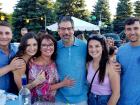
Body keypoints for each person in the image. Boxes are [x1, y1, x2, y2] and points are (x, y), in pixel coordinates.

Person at [28, 34, 74, 105]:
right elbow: (41, 89)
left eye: (50, 44)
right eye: (44, 45)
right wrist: (63, 84)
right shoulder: (34, 65)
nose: (48, 47)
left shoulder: (53, 61)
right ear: (39, 48)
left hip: (53, 101)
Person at [55, 16, 88, 105]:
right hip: (59, 98)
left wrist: (111, 62)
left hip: (81, 99)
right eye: (62, 29)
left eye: (69, 29)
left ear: (73, 30)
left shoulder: (84, 47)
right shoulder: (54, 47)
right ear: (58, 31)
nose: (66, 32)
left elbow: (97, 61)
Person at [86, 35, 120, 105]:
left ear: (103, 47)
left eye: (97, 46)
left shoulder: (111, 66)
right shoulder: (88, 64)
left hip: (106, 100)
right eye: (90, 46)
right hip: (91, 99)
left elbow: (116, 94)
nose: (93, 49)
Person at [117, 17, 140, 105]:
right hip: (122, 101)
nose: (132, 32)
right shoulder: (121, 50)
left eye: (136, 28)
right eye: (129, 29)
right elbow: (118, 73)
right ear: (125, 31)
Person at [0, 21, 25, 92]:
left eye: (7, 33)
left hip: (14, 94)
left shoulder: (16, 49)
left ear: (12, 35)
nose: (4, 36)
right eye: (0, 33)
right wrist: (10, 67)